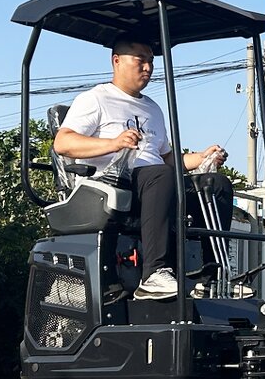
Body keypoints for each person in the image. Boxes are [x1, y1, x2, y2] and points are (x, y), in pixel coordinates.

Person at [53, 33, 233, 300]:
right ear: (117, 61)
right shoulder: (96, 99)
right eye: (140, 60)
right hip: (110, 183)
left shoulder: (153, 108)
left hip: (155, 182)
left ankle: (210, 277)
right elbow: (63, 143)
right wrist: (113, 143)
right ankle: (154, 274)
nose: (148, 67)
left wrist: (203, 158)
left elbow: (168, 159)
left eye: (150, 61)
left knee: (215, 185)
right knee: (160, 176)